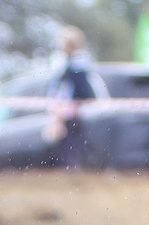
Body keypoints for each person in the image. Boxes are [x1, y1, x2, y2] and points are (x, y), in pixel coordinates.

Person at [47, 28, 98, 170]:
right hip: (69, 112)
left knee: (70, 148)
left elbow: (80, 91)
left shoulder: (77, 66)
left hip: (73, 113)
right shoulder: (70, 65)